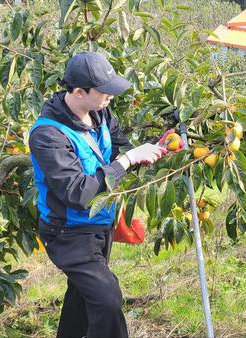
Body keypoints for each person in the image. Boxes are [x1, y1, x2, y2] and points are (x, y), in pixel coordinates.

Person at [29, 52, 169, 338]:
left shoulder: (100, 113)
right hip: (68, 233)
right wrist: (128, 159)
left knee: (83, 296)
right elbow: (78, 193)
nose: (110, 97)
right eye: (104, 92)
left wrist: (158, 145)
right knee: (107, 299)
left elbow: (122, 147)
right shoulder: (47, 136)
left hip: (99, 225)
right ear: (79, 92)